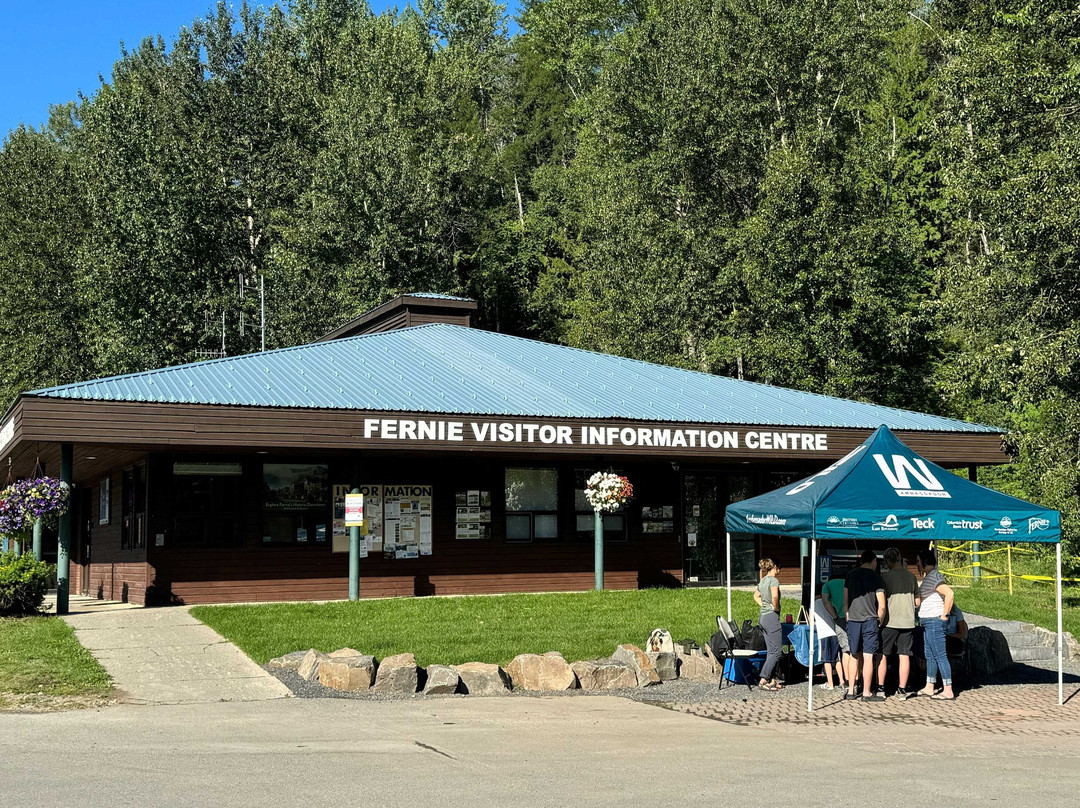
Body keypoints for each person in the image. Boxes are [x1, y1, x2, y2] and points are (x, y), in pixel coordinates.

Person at [843, 549, 886, 702]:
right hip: (870, 620)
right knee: (868, 657)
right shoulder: (876, 577)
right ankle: (867, 693)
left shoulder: (850, 575)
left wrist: (848, 615)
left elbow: (845, 600)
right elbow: (881, 604)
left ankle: (850, 690)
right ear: (873, 560)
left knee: (854, 655)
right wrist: (880, 619)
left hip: (853, 620)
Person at [881, 547, 920, 699]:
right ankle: (902, 690)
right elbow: (917, 601)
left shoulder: (885, 577)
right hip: (908, 621)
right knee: (904, 655)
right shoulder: (911, 577)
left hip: (890, 621)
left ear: (888, 561)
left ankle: (880, 688)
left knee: (883, 655)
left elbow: (881, 601)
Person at [916, 549, 956, 700]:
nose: (917, 564)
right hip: (928, 622)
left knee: (940, 655)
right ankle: (930, 686)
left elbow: (949, 593)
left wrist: (944, 614)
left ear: (925, 561)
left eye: (919, 561)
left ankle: (948, 689)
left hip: (934, 621)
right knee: (930, 655)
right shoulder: (930, 577)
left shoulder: (935, 577)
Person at [753, 558, 783, 691]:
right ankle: (763, 679)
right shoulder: (773, 580)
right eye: (779, 569)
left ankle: (771, 679)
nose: (779, 571)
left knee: (771, 650)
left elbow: (755, 596)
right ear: (775, 567)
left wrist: (763, 605)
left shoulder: (763, 580)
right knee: (777, 652)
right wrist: (775, 608)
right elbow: (775, 596)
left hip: (763, 617)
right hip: (771, 618)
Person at [821, 571, 852, 688]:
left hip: (840, 618)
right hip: (853, 617)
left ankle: (849, 679)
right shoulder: (848, 582)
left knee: (846, 650)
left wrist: (834, 616)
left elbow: (825, 601)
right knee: (855, 650)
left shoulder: (827, 585)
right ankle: (858, 678)